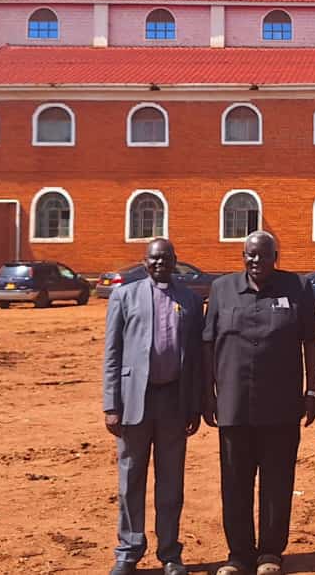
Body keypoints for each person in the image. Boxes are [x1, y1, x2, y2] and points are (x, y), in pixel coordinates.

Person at [203, 231, 315, 575]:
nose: (256, 260)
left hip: (281, 406)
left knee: (278, 481)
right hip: (234, 405)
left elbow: (311, 341)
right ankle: (239, 555)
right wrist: (207, 394)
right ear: (243, 256)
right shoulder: (222, 289)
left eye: (263, 254)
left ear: (275, 257)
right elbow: (207, 343)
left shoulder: (297, 287)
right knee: (234, 482)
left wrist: (312, 392)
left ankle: (270, 552)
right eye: (250, 254)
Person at [102, 238, 205, 575]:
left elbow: (196, 359)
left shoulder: (191, 300)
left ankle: (170, 553)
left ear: (175, 261)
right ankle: (128, 551)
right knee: (131, 479)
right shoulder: (124, 296)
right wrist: (111, 405)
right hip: (134, 400)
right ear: (145, 262)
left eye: (166, 258)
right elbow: (112, 353)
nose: (160, 263)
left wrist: (194, 405)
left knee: (171, 482)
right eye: (154, 258)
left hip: (174, 401)